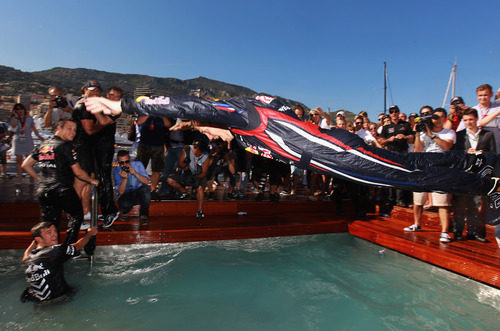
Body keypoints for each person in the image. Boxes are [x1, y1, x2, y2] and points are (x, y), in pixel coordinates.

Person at [84, 94, 500, 225]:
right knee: (409, 170)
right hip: (328, 155)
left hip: (332, 150)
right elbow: (218, 135)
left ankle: (486, 181)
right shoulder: (245, 141)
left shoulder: (242, 114)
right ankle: (477, 166)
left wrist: (121, 105)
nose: (209, 134)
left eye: (203, 127)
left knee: (407, 176)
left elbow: (188, 104)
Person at [21, 119, 99, 248]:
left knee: (49, 225)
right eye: (69, 128)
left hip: (44, 191)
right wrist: (92, 181)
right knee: (76, 215)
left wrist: (40, 180)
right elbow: (78, 172)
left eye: (75, 130)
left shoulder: (43, 145)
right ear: (59, 128)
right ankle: (69, 248)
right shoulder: (65, 146)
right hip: (62, 189)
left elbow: (26, 165)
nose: (73, 132)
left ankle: (49, 250)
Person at [404, 107, 456, 243]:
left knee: (442, 202)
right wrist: (417, 134)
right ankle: (417, 224)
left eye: (439, 117)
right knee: (418, 200)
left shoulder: (449, 132)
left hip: (440, 169)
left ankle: (444, 231)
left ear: (444, 119)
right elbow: (417, 150)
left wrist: (432, 135)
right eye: (434, 117)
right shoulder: (423, 133)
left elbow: (447, 147)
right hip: (424, 168)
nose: (436, 120)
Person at [72, 81, 119, 227]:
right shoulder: (86, 104)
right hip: (87, 148)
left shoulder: (113, 109)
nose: (95, 93)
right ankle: (83, 214)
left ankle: (108, 212)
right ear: (84, 90)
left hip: (102, 148)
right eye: (110, 95)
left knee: (100, 178)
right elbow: (87, 126)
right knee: (87, 180)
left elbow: (96, 126)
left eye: (97, 91)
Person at [21, 221, 97, 303]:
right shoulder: (55, 250)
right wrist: (89, 234)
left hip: (38, 300)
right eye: (49, 232)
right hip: (58, 300)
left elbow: (25, 256)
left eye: (55, 231)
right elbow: (79, 245)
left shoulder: (29, 257)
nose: (54, 235)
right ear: (38, 239)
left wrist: (35, 241)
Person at [452, 108, 495, 242]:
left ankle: (473, 232)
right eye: (465, 120)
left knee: (476, 205)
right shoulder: (458, 135)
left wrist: (484, 154)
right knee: (459, 205)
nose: (468, 122)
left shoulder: (488, 135)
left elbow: (493, 155)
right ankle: (458, 232)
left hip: (480, 175)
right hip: (463, 175)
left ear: (476, 119)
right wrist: (466, 153)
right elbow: (453, 156)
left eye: (471, 119)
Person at [379, 105, 414, 209]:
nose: (394, 113)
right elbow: (381, 142)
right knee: (390, 176)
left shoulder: (406, 125)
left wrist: (405, 137)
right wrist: (389, 140)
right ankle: (390, 199)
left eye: (396, 111)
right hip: (390, 153)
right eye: (391, 112)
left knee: (401, 176)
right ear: (389, 114)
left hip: (403, 153)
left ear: (399, 112)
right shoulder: (386, 127)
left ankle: (400, 199)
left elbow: (412, 139)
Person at [167, 140, 211, 219]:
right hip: (187, 174)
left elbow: (204, 172)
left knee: (200, 188)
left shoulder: (206, 157)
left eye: (200, 153)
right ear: (195, 148)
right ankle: (184, 192)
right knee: (170, 180)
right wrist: (186, 164)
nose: (198, 154)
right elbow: (180, 164)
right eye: (198, 152)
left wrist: (196, 180)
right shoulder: (187, 149)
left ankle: (199, 210)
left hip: (198, 175)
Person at [9, 103, 45, 189]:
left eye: (21, 109)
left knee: (30, 162)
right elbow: (13, 128)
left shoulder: (29, 119)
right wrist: (14, 116)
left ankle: (32, 180)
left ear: (24, 110)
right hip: (18, 141)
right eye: (17, 109)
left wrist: (40, 137)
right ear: (15, 110)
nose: (20, 110)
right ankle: (19, 180)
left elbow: (34, 130)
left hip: (28, 141)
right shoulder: (13, 119)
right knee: (19, 162)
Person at [114, 150, 151, 225]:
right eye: (122, 163)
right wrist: (124, 179)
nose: (125, 165)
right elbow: (121, 192)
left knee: (146, 190)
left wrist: (135, 173)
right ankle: (124, 212)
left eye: (127, 162)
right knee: (123, 202)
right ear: (118, 162)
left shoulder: (138, 165)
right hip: (127, 194)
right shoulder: (117, 171)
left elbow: (147, 182)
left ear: (130, 159)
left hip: (139, 192)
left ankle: (144, 215)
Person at [475, 84, 500, 152]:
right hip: (478, 150)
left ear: (491, 94)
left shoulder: (497, 108)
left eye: (485, 95)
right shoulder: (473, 110)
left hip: (496, 150)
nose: (483, 98)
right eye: (480, 95)